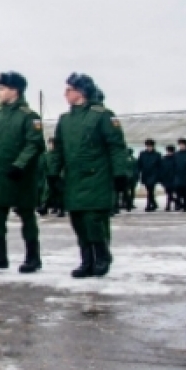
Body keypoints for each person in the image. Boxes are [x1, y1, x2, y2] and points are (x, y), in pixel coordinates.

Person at [53, 74, 128, 278]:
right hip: (74, 178)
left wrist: (120, 172)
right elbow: (57, 149)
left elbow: (116, 147)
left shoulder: (102, 115)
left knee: (94, 220)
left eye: (69, 89)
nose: (65, 94)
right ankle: (86, 261)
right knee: (78, 220)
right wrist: (53, 173)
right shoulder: (65, 119)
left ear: (81, 92)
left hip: (97, 177)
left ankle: (102, 256)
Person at [0, 71, 45, 273]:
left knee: (26, 215)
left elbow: (34, 144)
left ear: (14, 91)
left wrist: (19, 165)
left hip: (21, 176)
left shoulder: (29, 117)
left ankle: (33, 257)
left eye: (2, 88)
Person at [137, 139, 162, 212]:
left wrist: (159, 175)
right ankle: (154, 203)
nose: (149, 147)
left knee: (150, 189)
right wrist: (138, 172)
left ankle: (148, 205)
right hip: (145, 174)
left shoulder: (157, 154)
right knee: (149, 189)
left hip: (154, 174)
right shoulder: (142, 154)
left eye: (150, 146)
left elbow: (160, 165)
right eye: (148, 146)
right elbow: (139, 164)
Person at [173, 139, 186, 211]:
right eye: (180, 145)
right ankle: (179, 204)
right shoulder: (176, 154)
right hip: (178, 176)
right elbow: (174, 165)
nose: (181, 146)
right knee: (178, 192)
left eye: (183, 145)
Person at [119, 147, 138, 212]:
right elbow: (136, 170)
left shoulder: (123, 160)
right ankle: (130, 204)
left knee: (125, 191)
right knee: (131, 191)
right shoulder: (134, 160)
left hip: (125, 178)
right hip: (133, 178)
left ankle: (124, 203)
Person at [160, 144, 177, 211]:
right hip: (166, 178)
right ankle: (176, 202)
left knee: (173, 193)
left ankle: (169, 205)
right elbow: (161, 168)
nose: (169, 153)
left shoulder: (176, 158)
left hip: (174, 178)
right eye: (168, 151)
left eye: (171, 151)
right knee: (168, 193)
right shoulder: (164, 159)